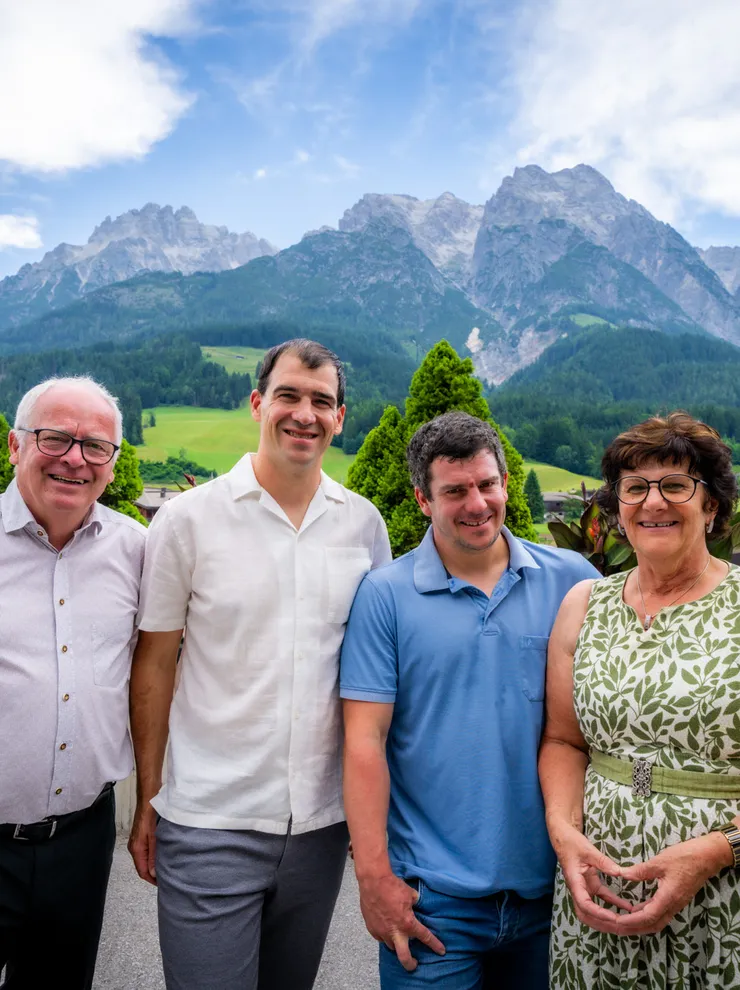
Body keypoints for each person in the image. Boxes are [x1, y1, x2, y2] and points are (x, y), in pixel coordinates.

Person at [128, 338, 392, 990]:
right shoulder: (187, 521)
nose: (305, 414)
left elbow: (375, 679)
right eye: (289, 396)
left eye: (321, 402)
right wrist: (145, 798)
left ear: (340, 417)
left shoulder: (364, 526)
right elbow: (155, 665)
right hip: (209, 820)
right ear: (257, 403)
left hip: (320, 827)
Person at [340, 411, 599, 990]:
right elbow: (364, 741)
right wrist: (372, 877)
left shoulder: (575, 582)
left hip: (553, 893)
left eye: (487, 484)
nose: (476, 503)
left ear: (506, 483)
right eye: (454, 490)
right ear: (423, 500)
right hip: (433, 904)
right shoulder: (384, 598)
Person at [540, 412, 740, 990]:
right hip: (599, 892)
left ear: (712, 506)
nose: (654, 501)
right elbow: (561, 740)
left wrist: (714, 852)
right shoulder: (584, 603)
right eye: (635, 487)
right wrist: (564, 834)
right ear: (619, 508)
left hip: (721, 896)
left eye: (676, 485)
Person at [0, 377, 146, 990]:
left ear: (113, 463)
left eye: (95, 446)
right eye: (55, 438)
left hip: (81, 842)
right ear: (15, 445)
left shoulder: (138, 550)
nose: (74, 459)